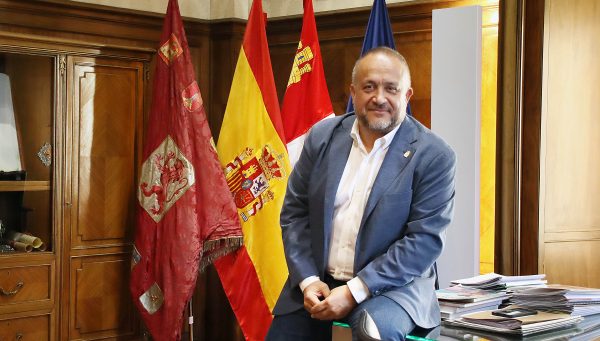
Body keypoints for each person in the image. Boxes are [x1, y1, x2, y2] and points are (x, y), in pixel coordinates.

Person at [266, 47, 456, 341]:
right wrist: (307, 280)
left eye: (391, 89)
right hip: (319, 283)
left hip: (393, 289)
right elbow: (295, 213)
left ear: (406, 96)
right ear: (353, 92)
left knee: (373, 331)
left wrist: (356, 290)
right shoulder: (322, 137)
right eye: (369, 87)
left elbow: (424, 241)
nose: (379, 98)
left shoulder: (434, 155)